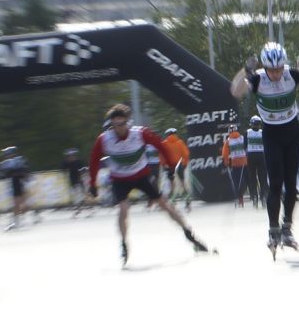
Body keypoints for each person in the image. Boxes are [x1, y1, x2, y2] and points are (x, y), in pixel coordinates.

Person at [229, 42, 299, 253]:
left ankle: (287, 228)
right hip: (271, 134)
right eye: (271, 69)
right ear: (265, 67)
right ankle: (273, 230)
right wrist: (245, 70)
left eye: (279, 68)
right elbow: (235, 91)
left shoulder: (291, 75)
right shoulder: (257, 79)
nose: (275, 73)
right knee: (276, 183)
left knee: (291, 184)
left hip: (292, 132)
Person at [86, 103, 210, 266]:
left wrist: (171, 167)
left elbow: (161, 146)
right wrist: (92, 184)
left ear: (127, 122)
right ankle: (124, 244)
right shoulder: (104, 140)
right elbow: (94, 161)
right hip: (120, 179)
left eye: (122, 124)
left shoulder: (140, 133)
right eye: (115, 125)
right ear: (111, 125)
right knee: (123, 209)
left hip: (140, 176)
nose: (119, 129)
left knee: (165, 205)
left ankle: (189, 233)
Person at [0, 145, 32, 230]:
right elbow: (2, 175)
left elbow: (23, 171)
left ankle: (17, 221)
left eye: (7, 153)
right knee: (19, 203)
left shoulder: (16, 161)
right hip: (15, 183)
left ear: (12, 153)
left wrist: (8, 173)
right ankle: (20, 220)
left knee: (18, 204)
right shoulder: (12, 161)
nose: (6, 155)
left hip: (18, 182)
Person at [161, 128, 192, 205]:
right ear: (175, 134)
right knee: (182, 182)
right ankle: (187, 197)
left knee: (172, 183)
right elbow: (186, 154)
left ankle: (173, 199)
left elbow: (162, 156)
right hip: (179, 164)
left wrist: (163, 165)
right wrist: (185, 164)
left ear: (167, 135)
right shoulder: (180, 142)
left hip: (169, 166)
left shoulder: (164, 143)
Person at [243, 118, 267, 209]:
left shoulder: (247, 132)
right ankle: (263, 196)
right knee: (262, 177)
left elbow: (244, 145)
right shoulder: (262, 132)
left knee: (252, 178)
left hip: (251, 156)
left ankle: (254, 197)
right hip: (261, 155)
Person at [222, 124, 248, 208]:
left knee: (236, 181)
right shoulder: (242, 138)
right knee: (242, 180)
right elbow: (247, 148)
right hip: (244, 162)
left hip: (234, 163)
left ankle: (239, 197)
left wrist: (226, 162)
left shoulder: (228, 140)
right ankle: (242, 196)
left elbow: (224, 153)